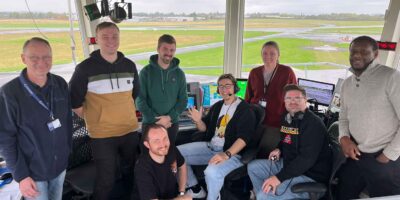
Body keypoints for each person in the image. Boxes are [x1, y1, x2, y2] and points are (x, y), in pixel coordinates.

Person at [68, 22, 140, 200]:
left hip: (129, 130)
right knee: (106, 179)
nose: (111, 41)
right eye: (105, 37)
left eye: (114, 36)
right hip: (102, 136)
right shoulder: (84, 68)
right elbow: (74, 101)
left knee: (130, 171)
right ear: (97, 39)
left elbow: (134, 95)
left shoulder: (129, 65)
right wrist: (95, 119)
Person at [0, 37, 72, 200]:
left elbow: (67, 120)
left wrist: (68, 151)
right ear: (23, 58)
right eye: (34, 57)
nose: (42, 62)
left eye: (47, 57)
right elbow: (5, 139)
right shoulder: (9, 93)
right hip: (32, 172)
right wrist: (21, 176)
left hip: (60, 166)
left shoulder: (60, 84)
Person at [337, 36, 400, 199]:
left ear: (376, 54)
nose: (357, 55)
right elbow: (343, 115)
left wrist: (388, 155)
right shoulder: (347, 84)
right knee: (343, 193)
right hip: (355, 154)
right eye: (353, 51)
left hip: (383, 158)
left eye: (364, 51)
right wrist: (344, 138)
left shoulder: (391, 77)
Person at [178, 74, 256, 200]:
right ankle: (196, 189)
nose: (224, 89)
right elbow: (204, 128)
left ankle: (213, 197)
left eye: (228, 86)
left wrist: (226, 154)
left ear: (235, 88)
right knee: (176, 154)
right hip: (211, 147)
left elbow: (244, 139)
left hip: (233, 153)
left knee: (211, 172)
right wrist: (198, 121)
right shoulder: (217, 106)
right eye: (221, 86)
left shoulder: (245, 110)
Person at [247, 84, 331, 200]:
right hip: (288, 165)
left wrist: (278, 178)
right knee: (253, 168)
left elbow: (306, 160)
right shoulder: (286, 118)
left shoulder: (313, 124)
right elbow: (286, 139)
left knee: (265, 194)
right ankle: (265, 196)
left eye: (297, 98)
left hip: (309, 175)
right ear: (284, 101)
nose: (293, 102)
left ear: (305, 100)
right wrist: (279, 149)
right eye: (289, 98)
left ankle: (266, 196)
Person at [245, 41, 297, 157]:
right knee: (247, 148)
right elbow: (248, 98)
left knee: (264, 152)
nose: (268, 56)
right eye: (265, 53)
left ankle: (259, 173)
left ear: (278, 55)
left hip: (276, 124)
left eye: (272, 53)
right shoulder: (254, 73)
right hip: (256, 121)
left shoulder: (287, 72)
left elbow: (295, 99)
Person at [136, 34, 187, 143]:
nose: (169, 53)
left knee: (169, 156)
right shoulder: (145, 72)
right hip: (150, 123)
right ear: (158, 49)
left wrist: (169, 118)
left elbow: (183, 101)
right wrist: (156, 120)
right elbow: (140, 100)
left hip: (171, 124)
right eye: (165, 49)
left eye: (172, 50)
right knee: (149, 157)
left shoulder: (179, 74)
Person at [135, 124, 192, 200]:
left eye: (165, 138)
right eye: (156, 141)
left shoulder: (171, 149)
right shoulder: (142, 168)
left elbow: (182, 166)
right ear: (147, 144)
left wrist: (181, 192)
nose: (163, 144)